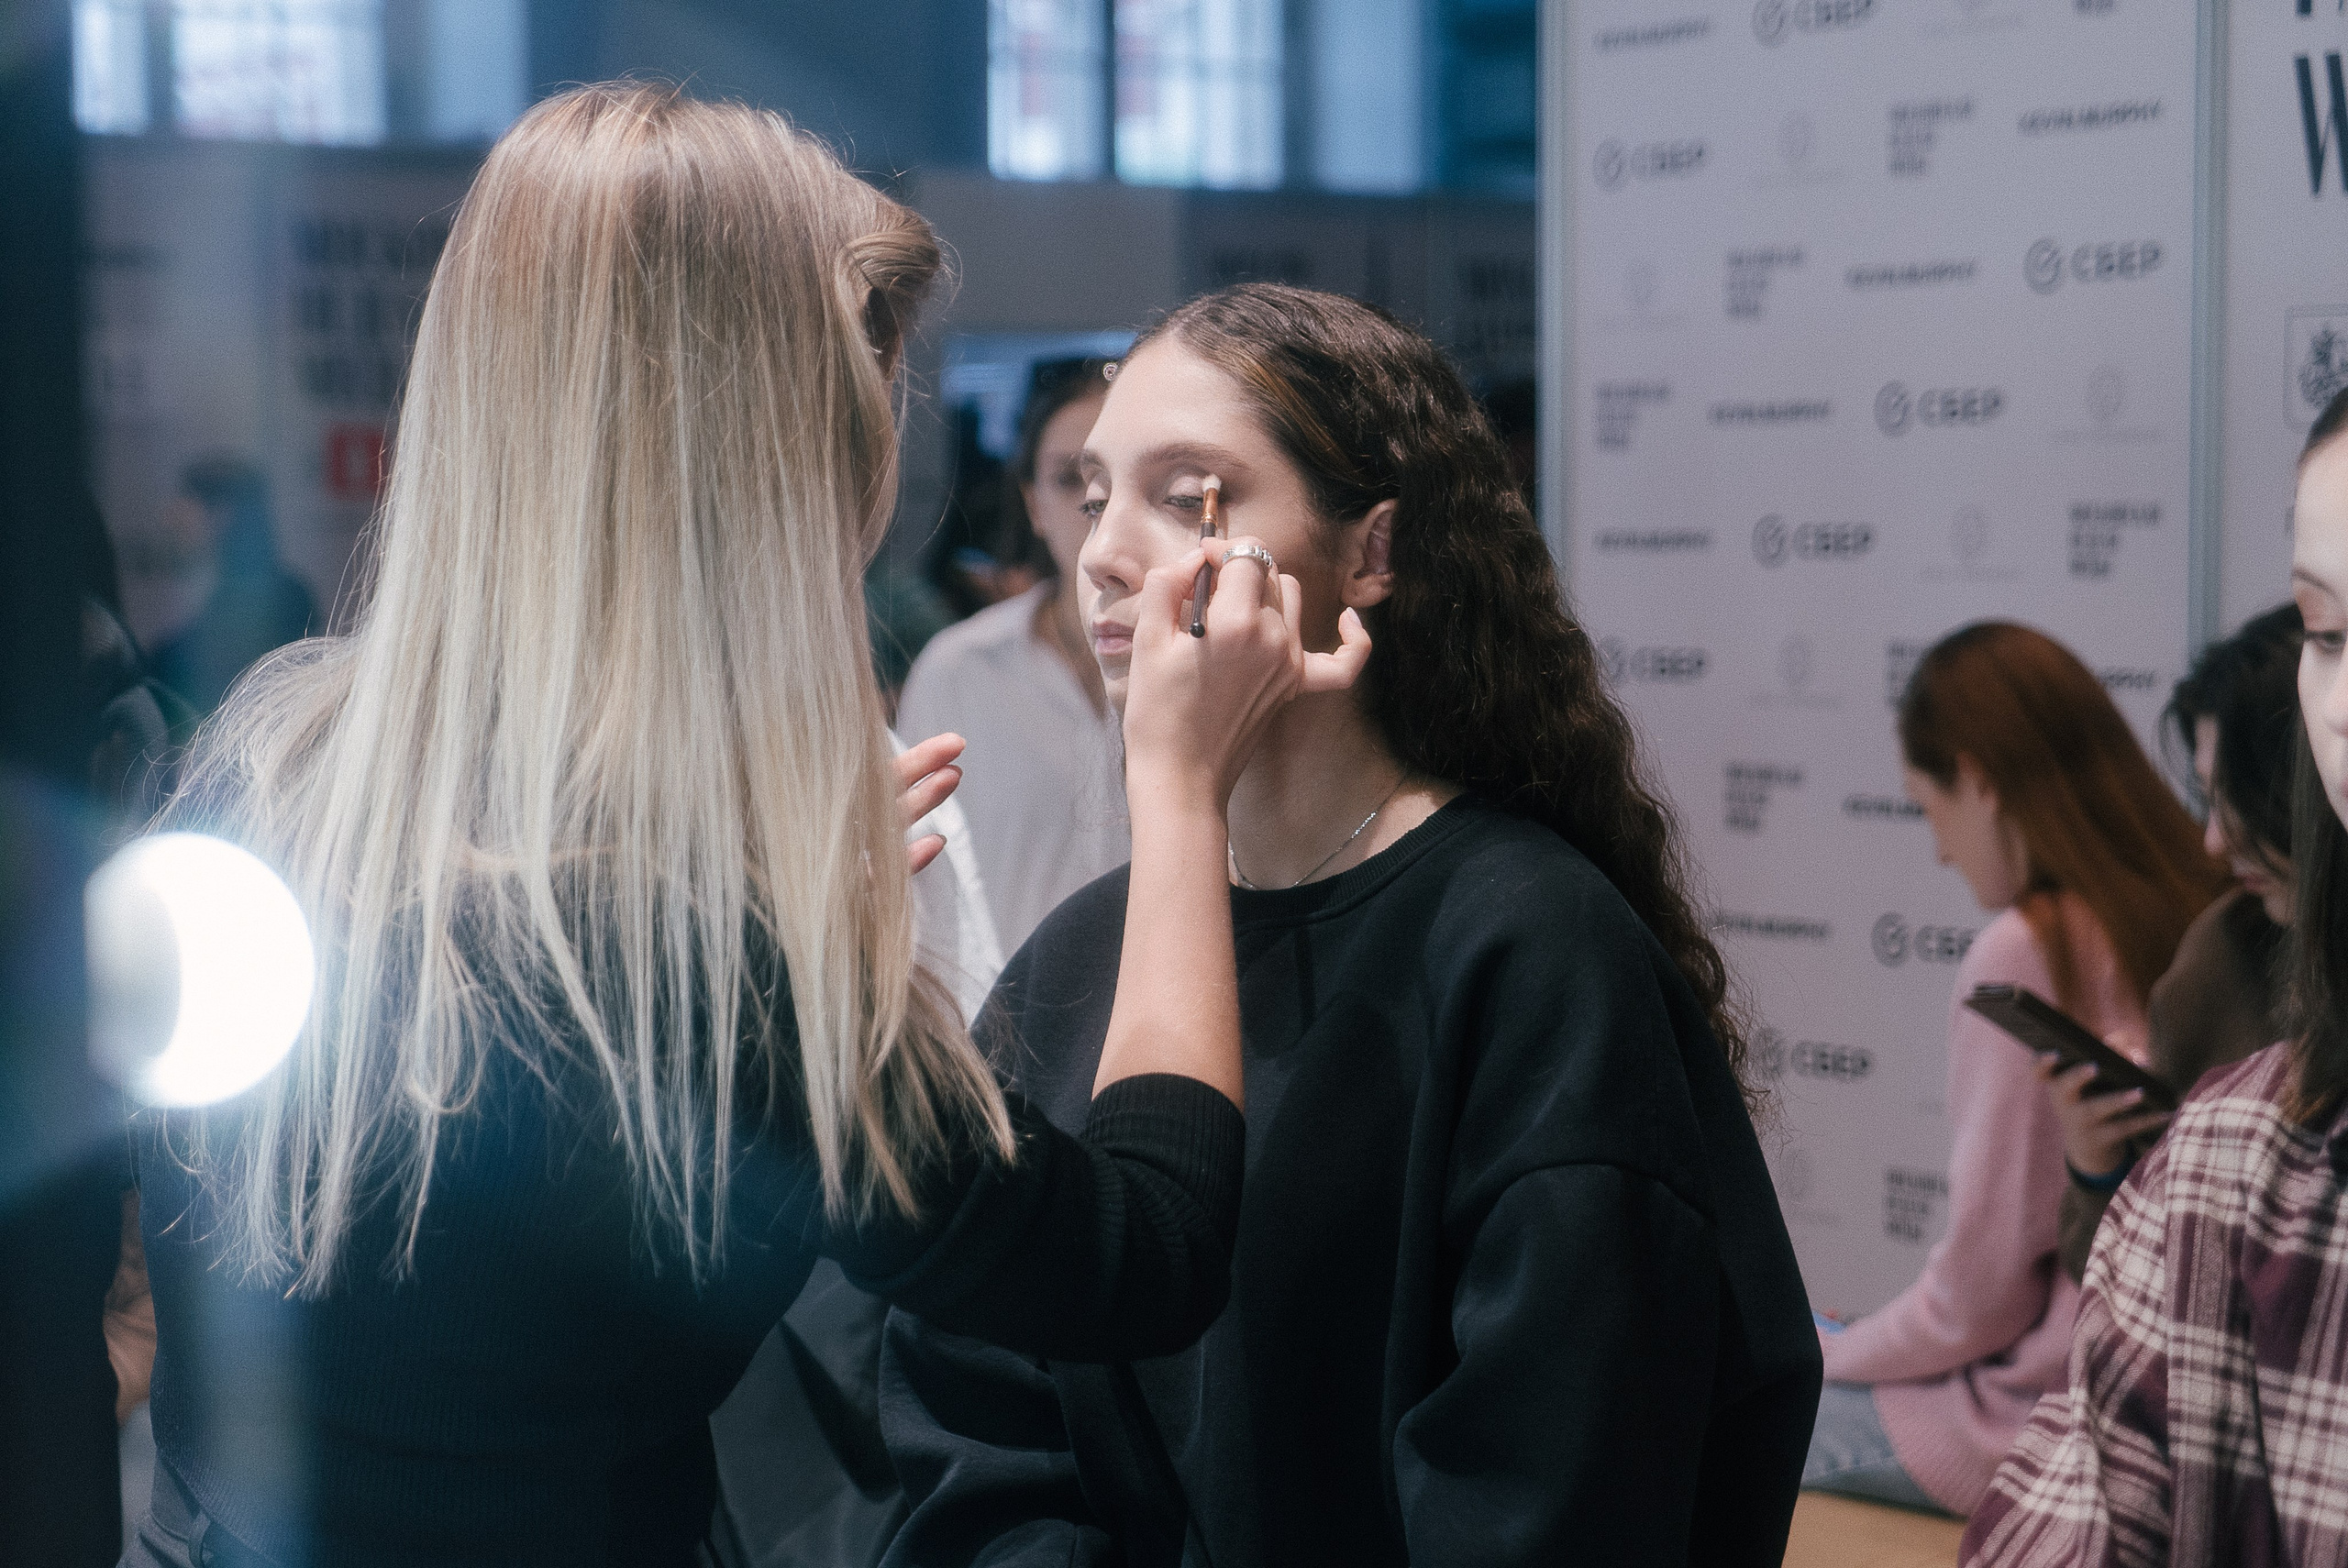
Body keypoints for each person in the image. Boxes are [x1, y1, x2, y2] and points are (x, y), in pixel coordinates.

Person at [124, 84, 1356, 1568]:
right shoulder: (713, 961)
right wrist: (1178, 785)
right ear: (784, 469)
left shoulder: (262, 772)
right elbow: (1141, 1253)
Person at [880, 282, 1821, 1568]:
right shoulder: (1081, 956)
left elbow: (1563, 1473)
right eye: (1094, 497)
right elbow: (975, 1416)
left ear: (1371, 554)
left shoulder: (1532, 953)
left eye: (1188, 496)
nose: (1104, 553)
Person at [1960, 391, 2348, 1568]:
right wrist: (2101, 1169)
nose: (2341, 706)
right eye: (2327, 635)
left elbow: (1969, 1296)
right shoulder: (2231, 1159)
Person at [1806, 623, 2227, 1518]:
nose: (1939, 850)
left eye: (1929, 808)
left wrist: (1829, 1354)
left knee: (1740, 1418)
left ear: (1979, 781)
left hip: (2039, 1422)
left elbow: (1978, 1301)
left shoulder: (2024, 951)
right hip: (2179, 1412)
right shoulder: (2206, 916)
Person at [2044, 604, 2301, 1286]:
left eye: (2239, 798)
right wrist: (2099, 1168)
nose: (2215, 840)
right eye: (2209, 799)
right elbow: (2123, 1289)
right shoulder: (2225, 956)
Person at [898, 359, 1129, 952]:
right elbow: (925, 891)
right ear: (1033, 503)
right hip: (1003, 1005)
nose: (1098, 505)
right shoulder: (959, 669)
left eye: (1124, 477)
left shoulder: (1213, 665)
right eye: (1070, 478)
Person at [141, 455, 316, 715]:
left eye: (185, 510)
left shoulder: (275, 600)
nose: (169, 521)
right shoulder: (278, 591)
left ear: (223, 515)